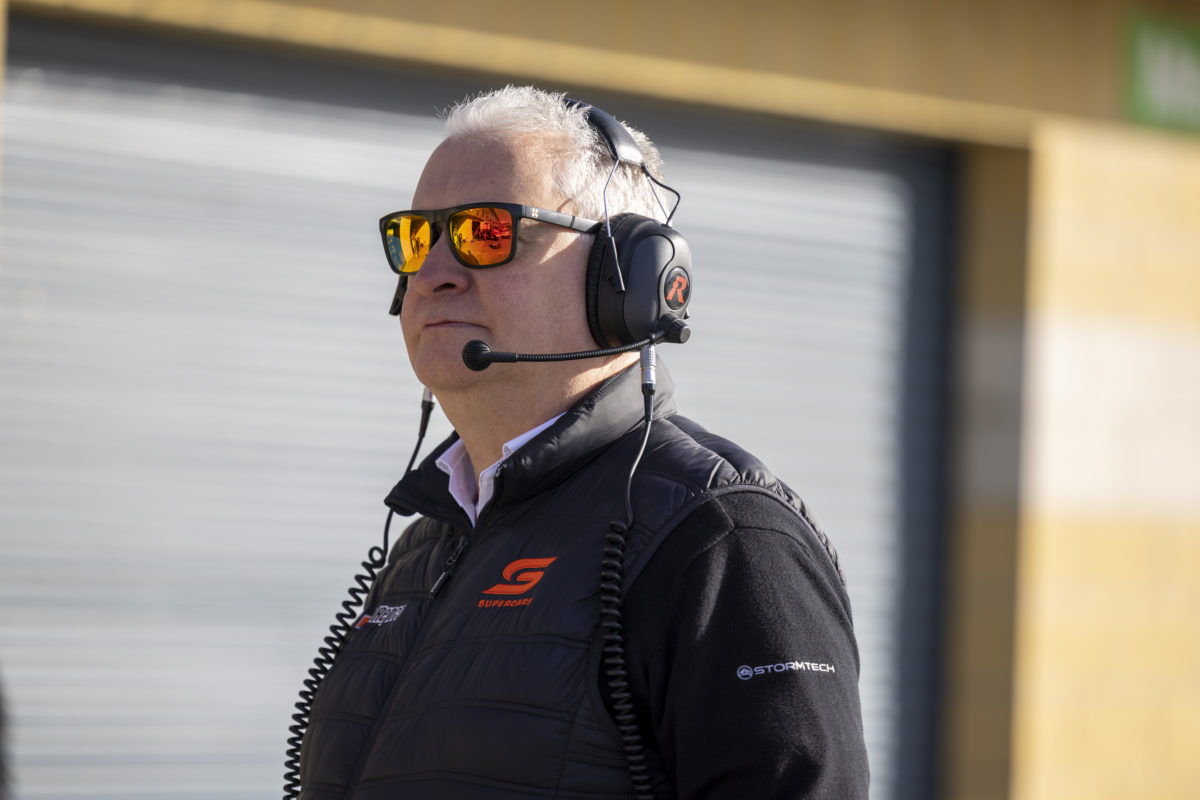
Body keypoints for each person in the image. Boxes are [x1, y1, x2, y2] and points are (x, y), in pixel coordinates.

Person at [291, 85, 869, 799]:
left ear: (624, 279)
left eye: (486, 232)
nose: (433, 274)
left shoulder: (722, 537)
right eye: (415, 239)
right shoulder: (423, 548)